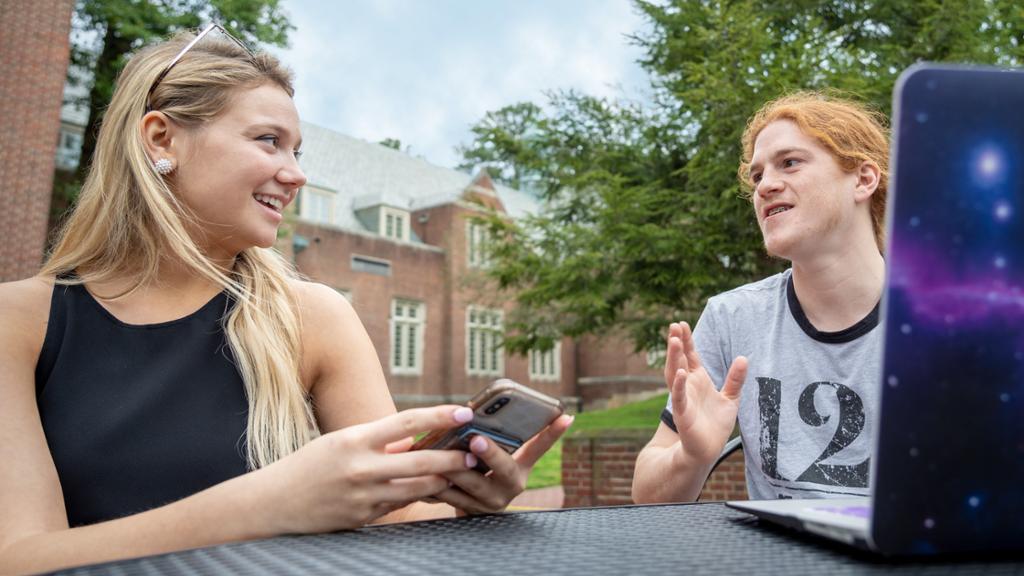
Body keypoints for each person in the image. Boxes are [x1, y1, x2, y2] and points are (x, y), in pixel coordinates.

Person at [0, 25, 572, 574]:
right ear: (161, 138)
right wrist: (266, 505)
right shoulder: (19, 322)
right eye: (269, 140)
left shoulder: (316, 317)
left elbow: (398, 520)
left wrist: (463, 506)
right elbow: (18, 558)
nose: (295, 175)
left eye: (298, 152)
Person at [632, 92, 889, 503]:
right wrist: (694, 455)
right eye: (756, 176)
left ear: (862, 179)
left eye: (790, 162)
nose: (765, 185)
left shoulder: (944, 319)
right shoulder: (731, 317)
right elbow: (648, 497)